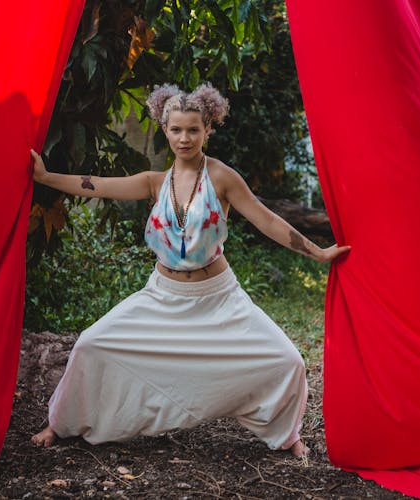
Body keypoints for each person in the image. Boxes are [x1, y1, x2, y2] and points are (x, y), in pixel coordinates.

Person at [29, 83, 350, 458]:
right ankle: (60, 423)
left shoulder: (222, 178)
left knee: (287, 360)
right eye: (176, 129)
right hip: (162, 296)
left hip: (218, 298)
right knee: (90, 345)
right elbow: (98, 185)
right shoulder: (154, 182)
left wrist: (318, 253)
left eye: (193, 130)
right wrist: (46, 178)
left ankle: (286, 434)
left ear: (208, 129)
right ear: (164, 129)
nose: (184, 138)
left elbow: (268, 221)